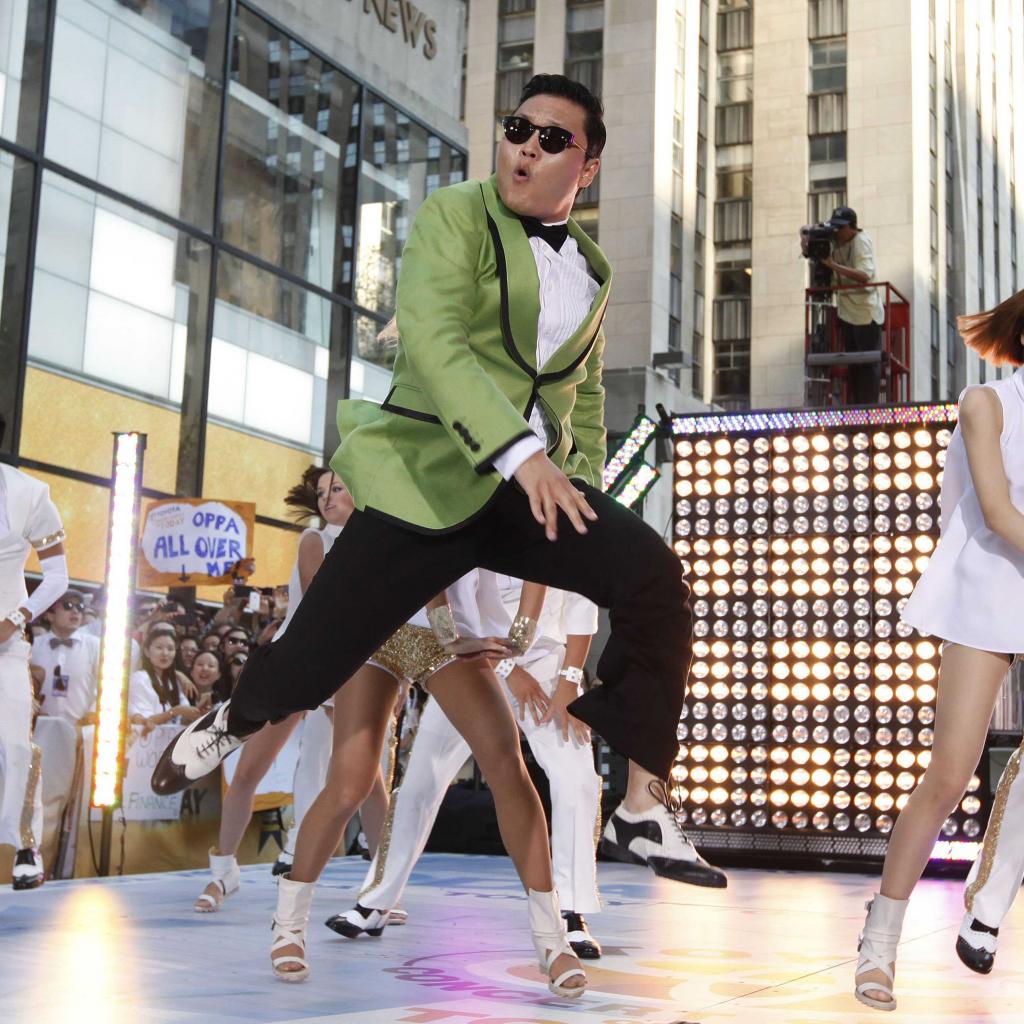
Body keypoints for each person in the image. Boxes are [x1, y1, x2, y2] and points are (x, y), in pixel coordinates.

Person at [154, 73, 691, 990]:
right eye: (517, 128)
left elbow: (584, 393)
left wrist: (581, 490)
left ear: (588, 167)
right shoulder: (454, 215)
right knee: (311, 662)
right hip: (429, 477)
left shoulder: (594, 272)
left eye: (551, 138)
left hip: (524, 494)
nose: (525, 146)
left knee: (655, 581)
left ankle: (641, 800)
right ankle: (231, 718)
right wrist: (522, 454)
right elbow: (437, 345)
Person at [272, 572, 589, 998]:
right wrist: (451, 633)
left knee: (506, 765)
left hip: (453, 632)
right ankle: (289, 926)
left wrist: (518, 640)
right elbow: (428, 563)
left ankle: (552, 940)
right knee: (350, 784)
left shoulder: (530, 527)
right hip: (379, 623)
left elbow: (540, 570)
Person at [853, 288, 1024, 1011]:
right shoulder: (987, 402)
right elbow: (998, 511)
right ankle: (879, 942)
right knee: (949, 776)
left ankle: (986, 905)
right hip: (989, 586)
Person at [193, 466, 437, 917]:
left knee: (368, 781)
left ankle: (383, 888)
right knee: (248, 771)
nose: (326, 498)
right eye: (322, 491)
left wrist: (396, 674)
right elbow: (323, 605)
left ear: (358, 493)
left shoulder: (378, 546)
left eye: (337, 488)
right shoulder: (315, 539)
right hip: (298, 663)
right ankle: (222, 871)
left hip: (346, 666)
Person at [0, 455, 68, 890]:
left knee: (16, 745)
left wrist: (15, 618)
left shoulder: (28, 493)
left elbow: (57, 577)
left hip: (5, 646)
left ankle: (26, 845)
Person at [821, 205, 885, 404]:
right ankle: (855, 405)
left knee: (867, 365)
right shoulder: (836, 243)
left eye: (841, 228)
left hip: (865, 313)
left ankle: (867, 407)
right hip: (847, 312)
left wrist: (832, 265)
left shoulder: (861, 241)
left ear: (851, 227)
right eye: (836, 228)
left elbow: (864, 275)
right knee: (853, 366)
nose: (838, 232)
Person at [30, 590, 100, 726]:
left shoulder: (95, 646)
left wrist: (91, 716)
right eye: (68, 606)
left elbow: (106, 688)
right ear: (49, 615)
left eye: (79, 607)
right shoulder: (33, 646)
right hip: (38, 728)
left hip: (79, 731)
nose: (75, 611)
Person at [127, 625, 201, 735]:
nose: (165, 653)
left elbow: (182, 720)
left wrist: (197, 712)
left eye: (170, 649)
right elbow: (145, 721)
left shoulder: (173, 681)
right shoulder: (140, 678)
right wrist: (174, 711)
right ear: (147, 651)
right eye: (159, 648)